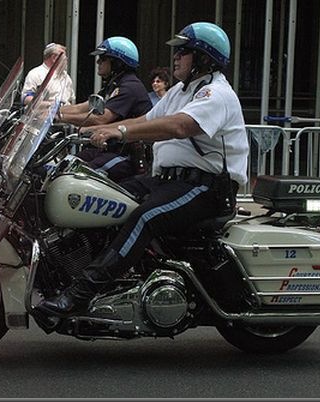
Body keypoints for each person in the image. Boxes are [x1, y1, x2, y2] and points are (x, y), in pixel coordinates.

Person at [36, 22, 249, 317]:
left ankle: (81, 293)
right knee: (105, 195)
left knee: (145, 217)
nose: (176, 57)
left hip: (206, 188)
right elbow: (147, 118)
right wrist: (96, 130)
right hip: (169, 181)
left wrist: (118, 132)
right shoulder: (180, 92)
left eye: (184, 51)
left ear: (204, 58)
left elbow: (178, 126)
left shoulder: (215, 94)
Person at [57, 36, 152, 181]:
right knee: (64, 166)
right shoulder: (113, 85)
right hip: (108, 149)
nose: (98, 62)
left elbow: (102, 119)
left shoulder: (130, 87)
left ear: (117, 62)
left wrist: (60, 117)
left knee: (78, 176)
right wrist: (51, 111)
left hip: (127, 155)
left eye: (103, 58)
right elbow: (83, 107)